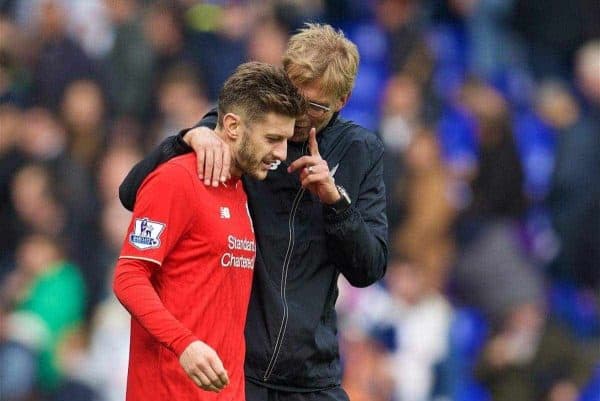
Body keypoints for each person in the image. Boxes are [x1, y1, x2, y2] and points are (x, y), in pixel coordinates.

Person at [119, 23, 388, 401]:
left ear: (341, 101)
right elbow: (135, 193)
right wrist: (186, 138)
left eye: (313, 107)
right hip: (242, 370)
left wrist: (336, 203)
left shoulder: (360, 152)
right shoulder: (243, 129)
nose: (297, 116)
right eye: (293, 95)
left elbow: (369, 268)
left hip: (313, 374)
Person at [112, 62, 306, 401]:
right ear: (231, 126)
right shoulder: (174, 180)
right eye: (272, 139)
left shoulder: (241, 189)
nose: (280, 154)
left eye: (286, 140)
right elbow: (128, 276)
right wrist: (183, 344)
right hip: (167, 390)